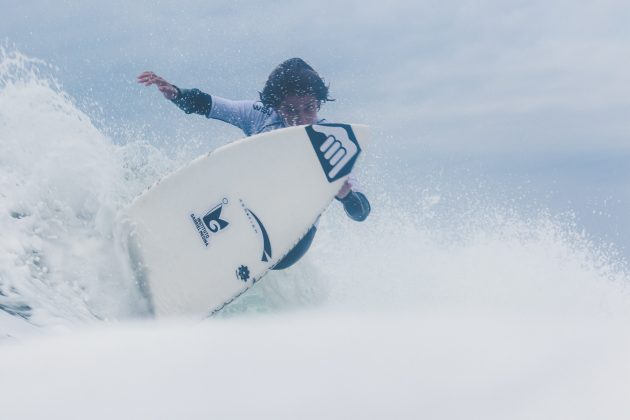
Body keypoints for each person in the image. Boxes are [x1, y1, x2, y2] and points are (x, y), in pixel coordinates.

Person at [137, 58, 370, 269]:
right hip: (244, 209)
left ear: (318, 104)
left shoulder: (331, 144)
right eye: (290, 110)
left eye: (308, 108)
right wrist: (177, 93)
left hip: (292, 242)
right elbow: (210, 105)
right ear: (276, 106)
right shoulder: (261, 116)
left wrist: (345, 195)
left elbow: (362, 213)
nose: (301, 118)